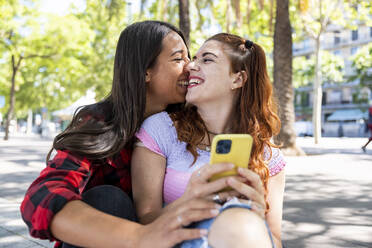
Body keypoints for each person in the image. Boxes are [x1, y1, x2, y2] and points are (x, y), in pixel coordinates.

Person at [20, 21, 235, 248]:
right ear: (145, 72)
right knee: (108, 199)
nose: (190, 66)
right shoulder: (101, 122)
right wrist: (139, 237)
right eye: (178, 58)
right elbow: (42, 197)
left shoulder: (189, 122)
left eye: (190, 57)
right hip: (123, 238)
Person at [132, 33, 286, 248]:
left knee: (240, 223)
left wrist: (259, 217)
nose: (191, 66)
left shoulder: (269, 156)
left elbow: (276, 242)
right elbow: (143, 223)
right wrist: (188, 202)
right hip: (178, 240)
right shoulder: (161, 130)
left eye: (206, 59)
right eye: (194, 58)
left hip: (242, 238)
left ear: (238, 79)